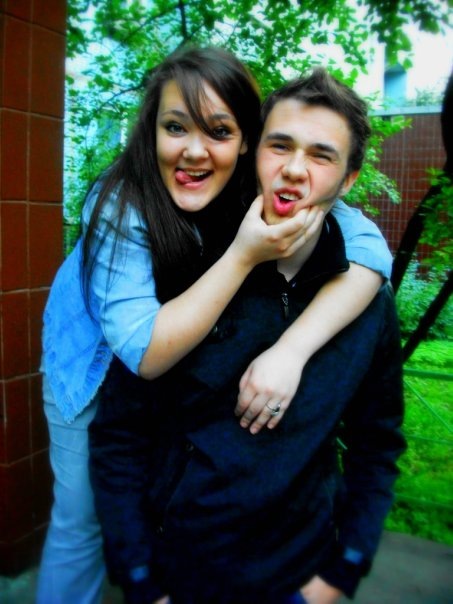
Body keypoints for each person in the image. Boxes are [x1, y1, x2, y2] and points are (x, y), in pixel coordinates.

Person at [37, 47, 391, 604]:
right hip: (95, 357)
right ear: (151, 131)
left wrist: (292, 349)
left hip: (178, 365)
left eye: (220, 131)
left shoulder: (266, 185)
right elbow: (143, 354)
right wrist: (143, 580)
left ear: (244, 142)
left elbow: (369, 248)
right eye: (175, 126)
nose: (196, 149)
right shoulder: (123, 205)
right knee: (81, 519)